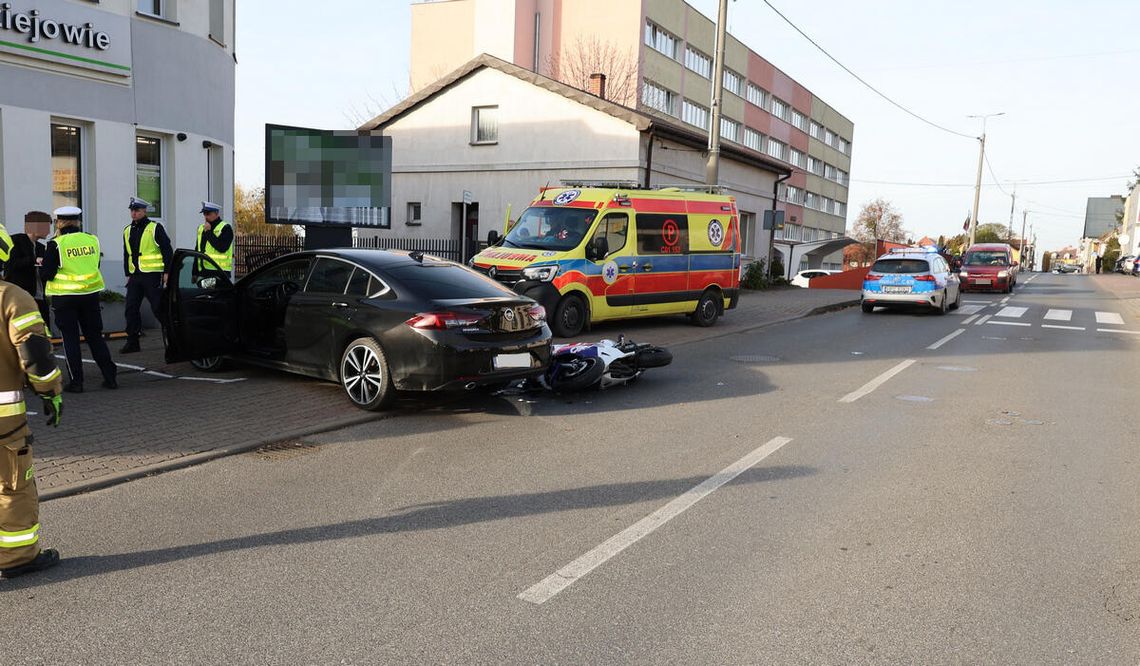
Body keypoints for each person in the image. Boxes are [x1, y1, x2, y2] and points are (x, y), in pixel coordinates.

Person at [0, 221, 64, 579]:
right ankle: (17, 558)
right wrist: (51, 394)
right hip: (4, 423)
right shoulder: (12, 296)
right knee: (13, 486)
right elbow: (37, 358)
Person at [42, 207, 117, 393]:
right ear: (78, 222)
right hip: (90, 296)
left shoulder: (56, 244)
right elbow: (94, 265)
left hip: (65, 298)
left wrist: (41, 266)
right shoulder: (92, 240)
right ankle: (110, 377)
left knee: (70, 339)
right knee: (95, 337)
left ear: (59, 222)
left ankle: (77, 382)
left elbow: (47, 274)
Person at [120, 197, 172, 354]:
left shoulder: (155, 228)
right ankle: (132, 341)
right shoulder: (128, 230)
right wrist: (128, 273)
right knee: (130, 308)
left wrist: (167, 272)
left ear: (144, 211)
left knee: (158, 308)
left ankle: (172, 340)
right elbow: (127, 254)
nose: (133, 213)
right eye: (132, 210)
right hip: (136, 276)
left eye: (137, 210)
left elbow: (167, 250)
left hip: (152, 276)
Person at [4, 212, 52, 334]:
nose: (48, 231)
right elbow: (11, 264)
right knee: (25, 331)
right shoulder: (15, 241)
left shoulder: (41, 247)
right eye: (46, 227)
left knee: (43, 326)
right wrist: (33, 260)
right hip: (21, 294)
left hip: (39, 294)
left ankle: (45, 347)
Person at [194, 201, 233, 281]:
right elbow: (197, 250)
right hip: (203, 272)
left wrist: (208, 232)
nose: (205, 216)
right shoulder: (201, 228)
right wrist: (194, 272)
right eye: (204, 213)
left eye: (208, 213)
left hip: (220, 272)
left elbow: (222, 248)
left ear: (216, 213)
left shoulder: (225, 228)